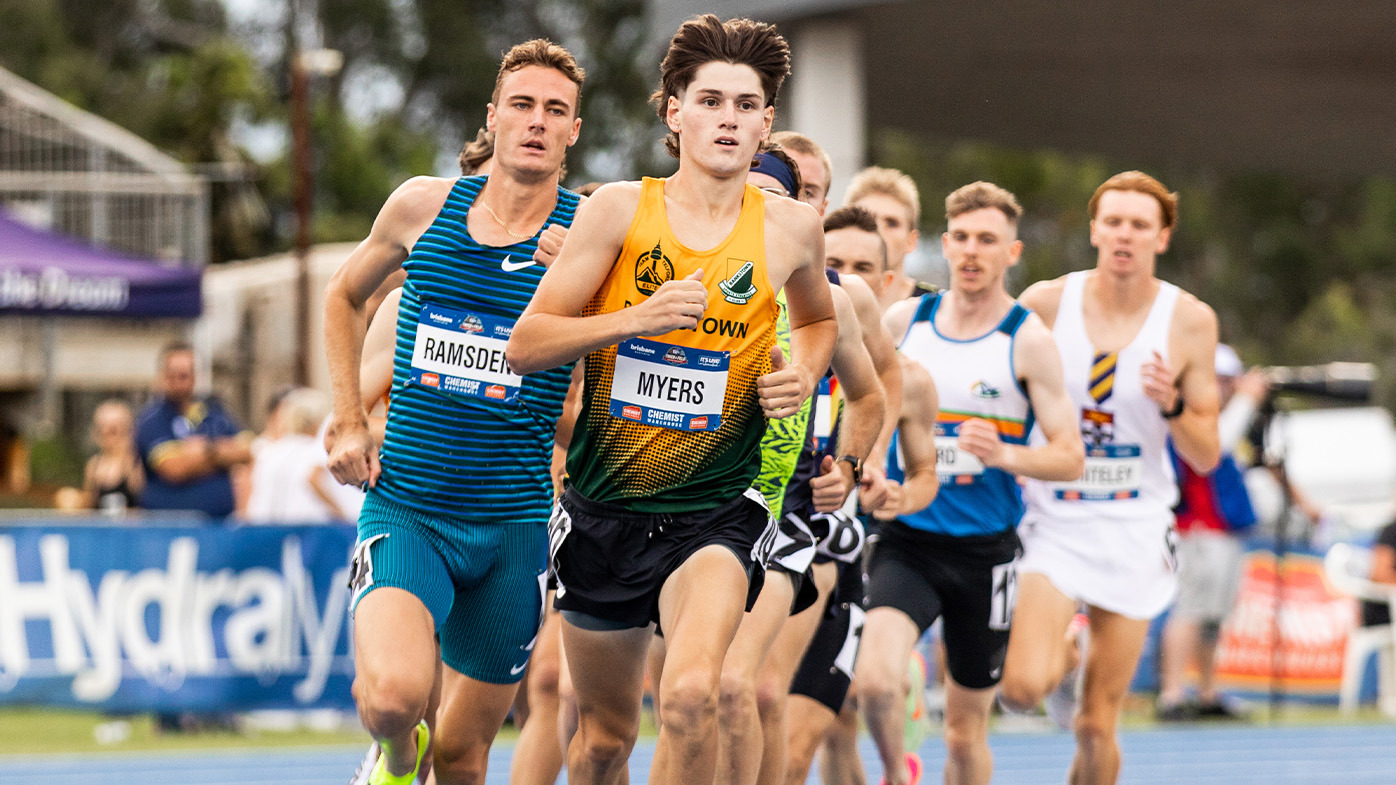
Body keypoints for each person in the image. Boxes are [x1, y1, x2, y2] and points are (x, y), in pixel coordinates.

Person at [506, 15, 837, 785]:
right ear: (674, 111)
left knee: (691, 698)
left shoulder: (792, 229)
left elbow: (819, 322)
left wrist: (801, 371)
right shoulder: (618, 210)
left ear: (766, 123)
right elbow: (527, 344)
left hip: (717, 510)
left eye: (745, 105)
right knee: (602, 742)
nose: (728, 119)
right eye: (710, 101)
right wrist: (633, 319)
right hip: (605, 509)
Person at [323, 39, 585, 785]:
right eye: (523, 105)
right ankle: (395, 760)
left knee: (466, 754)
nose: (536, 121)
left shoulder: (589, 237)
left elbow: (594, 400)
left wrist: (584, 294)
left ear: (573, 131)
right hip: (409, 506)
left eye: (555, 110)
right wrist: (348, 418)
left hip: (514, 526)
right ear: (493, 116)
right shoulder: (422, 207)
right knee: (394, 699)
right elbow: (344, 295)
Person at [998, 171, 1220, 785]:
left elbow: (1206, 453)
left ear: (1162, 238)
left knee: (1096, 725)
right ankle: (1066, 654)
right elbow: (998, 390)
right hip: (1055, 520)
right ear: (1095, 230)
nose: (1125, 235)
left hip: (1135, 524)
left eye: (1140, 225)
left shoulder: (1189, 320)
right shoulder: (1045, 304)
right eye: (1114, 222)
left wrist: (1173, 405)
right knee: (1019, 690)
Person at [858, 183, 1083, 785]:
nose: (972, 251)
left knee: (964, 734)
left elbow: (1070, 457)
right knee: (874, 680)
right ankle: (897, 771)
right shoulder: (905, 323)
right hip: (907, 538)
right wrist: (873, 462)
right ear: (945, 243)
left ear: (1012, 251)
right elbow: (865, 406)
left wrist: (1006, 453)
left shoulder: (1027, 340)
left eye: (987, 239)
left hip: (984, 553)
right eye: (960, 237)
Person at [1156, 344, 1264, 721]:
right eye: (1221, 379)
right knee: (1190, 609)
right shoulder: (1186, 414)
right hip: (1196, 529)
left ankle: (1207, 692)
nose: (1228, 388)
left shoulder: (1220, 415)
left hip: (1223, 530)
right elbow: (1218, 447)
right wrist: (1248, 400)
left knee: (1213, 616)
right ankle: (1171, 694)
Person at [135, 341, 253, 520]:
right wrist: (223, 458)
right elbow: (174, 469)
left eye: (184, 374)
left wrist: (206, 449)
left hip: (219, 524)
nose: (178, 380)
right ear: (162, 375)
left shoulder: (215, 412)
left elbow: (248, 450)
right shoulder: (151, 420)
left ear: (195, 376)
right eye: (172, 374)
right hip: (168, 526)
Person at [244, 387, 348, 523]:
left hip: (264, 521)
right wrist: (341, 514)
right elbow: (313, 478)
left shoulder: (270, 450)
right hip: (306, 523)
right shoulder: (312, 448)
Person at [844, 167, 935, 308]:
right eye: (867, 220)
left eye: (892, 223)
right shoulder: (825, 302)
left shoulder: (936, 307)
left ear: (911, 241)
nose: (878, 231)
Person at [83, 399, 144, 515]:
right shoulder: (93, 465)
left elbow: (144, 505)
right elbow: (89, 507)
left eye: (113, 430)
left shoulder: (134, 463)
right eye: (101, 429)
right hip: (102, 525)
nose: (106, 433)